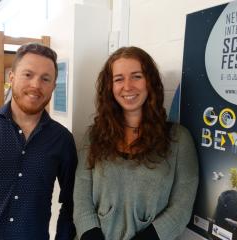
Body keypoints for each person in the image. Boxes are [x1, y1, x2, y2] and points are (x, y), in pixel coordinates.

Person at [73, 46, 199, 240]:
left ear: (150, 81)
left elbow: (181, 208)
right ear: (110, 86)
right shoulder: (94, 135)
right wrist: (91, 235)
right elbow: (81, 195)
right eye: (119, 79)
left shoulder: (179, 139)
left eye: (136, 76)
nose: (128, 86)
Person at [0, 43, 77, 239]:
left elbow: (72, 202)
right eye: (28, 74)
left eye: (45, 79)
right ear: (11, 77)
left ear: (53, 85)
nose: (36, 85)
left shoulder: (62, 140)